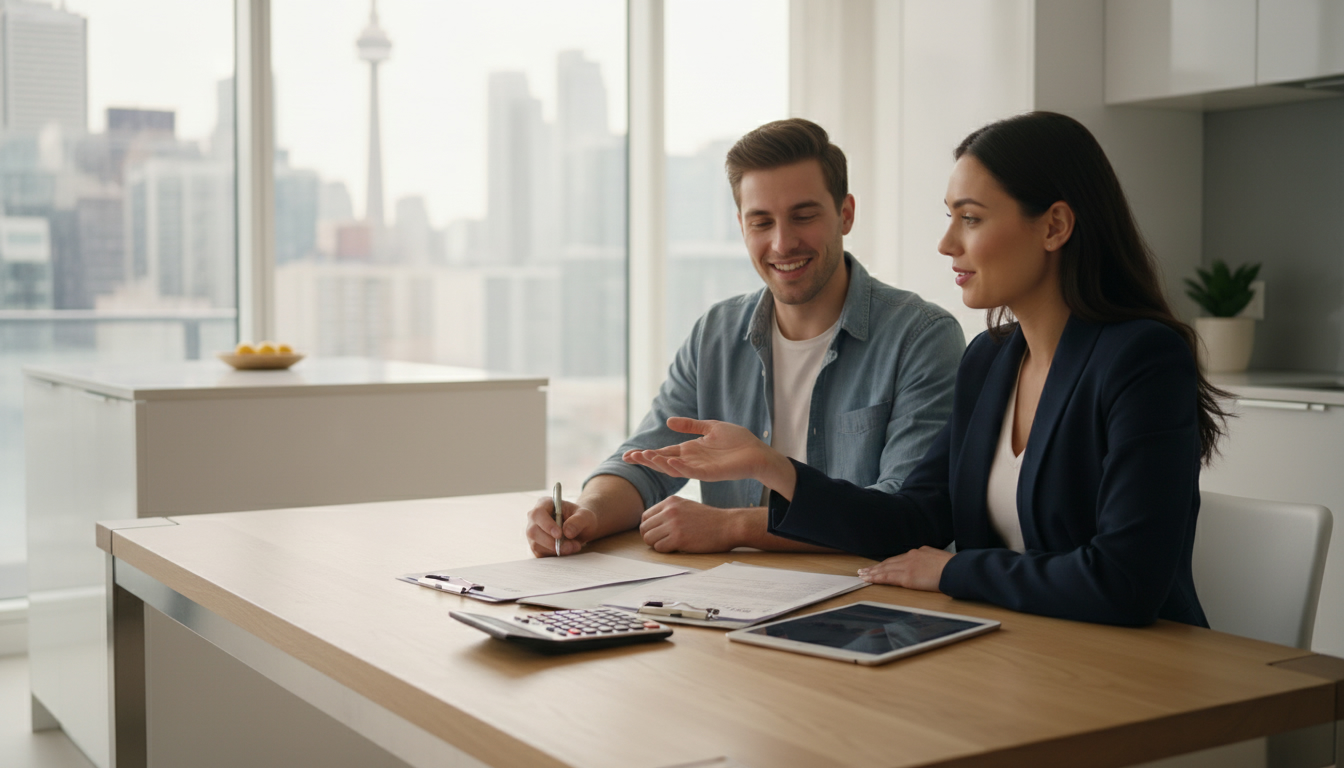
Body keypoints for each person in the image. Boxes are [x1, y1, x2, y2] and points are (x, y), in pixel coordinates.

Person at [625, 111, 1226, 627]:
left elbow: (1125, 581)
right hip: (1018, 649)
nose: (947, 243)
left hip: (1135, 670)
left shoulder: (1142, 359)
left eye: (971, 218)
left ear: (1054, 226)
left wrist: (953, 571)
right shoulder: (990, 360)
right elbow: (910, 520)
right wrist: (771, 466)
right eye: (950, 216)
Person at [526, 118, 965, 557]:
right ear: (741, 226)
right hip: (730, 593)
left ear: (845, 214)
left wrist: (733, 526)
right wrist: (586, 513)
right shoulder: (715, 334)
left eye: (803, 216)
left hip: (864, 592)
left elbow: (904, 517)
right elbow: (646, 461)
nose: (782, 243)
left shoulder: (922, 338)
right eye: (761, 222)